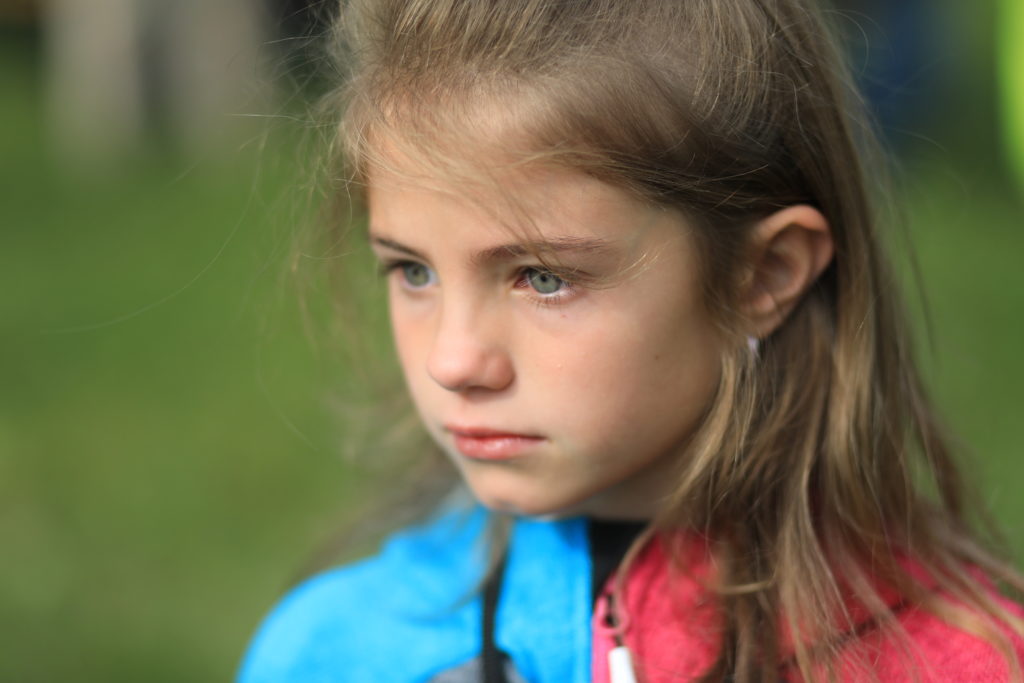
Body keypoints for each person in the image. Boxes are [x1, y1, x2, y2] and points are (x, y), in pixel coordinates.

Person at [238, 0, 1024, 681]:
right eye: (413, 271)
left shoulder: (961, 661)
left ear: (764, 275)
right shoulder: (337, 651)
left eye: (543, 278)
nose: (454, 360)